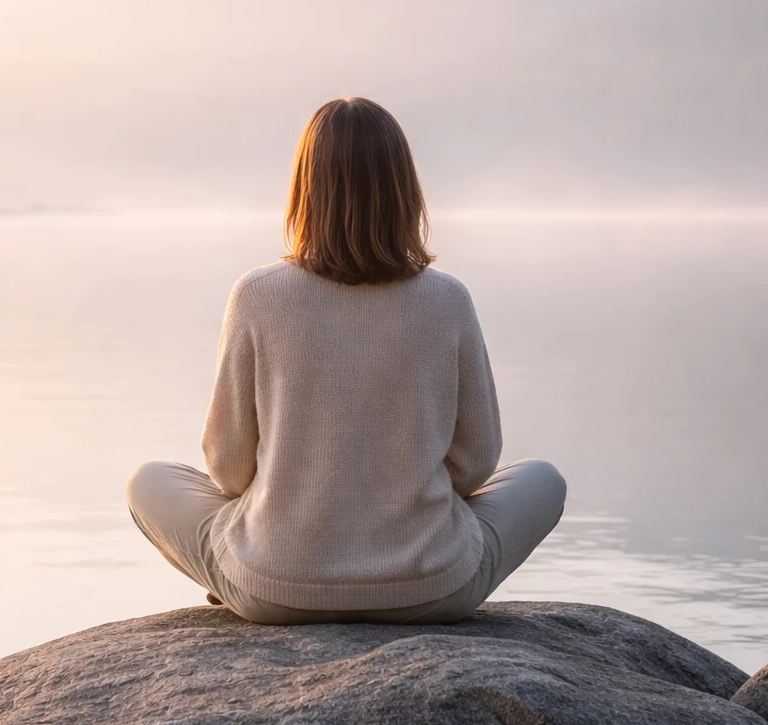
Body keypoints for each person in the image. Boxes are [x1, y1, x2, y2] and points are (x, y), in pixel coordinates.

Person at [126, 97, 566, 625]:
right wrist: (397, 490)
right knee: (543, 480)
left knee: (147, 481)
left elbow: (227, 467)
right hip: (430, 592)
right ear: (405, 191)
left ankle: (244, 577)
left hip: (275, 592)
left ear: (305, 191)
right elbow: (475, 463)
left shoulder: (257, 295)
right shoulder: (448, 299)